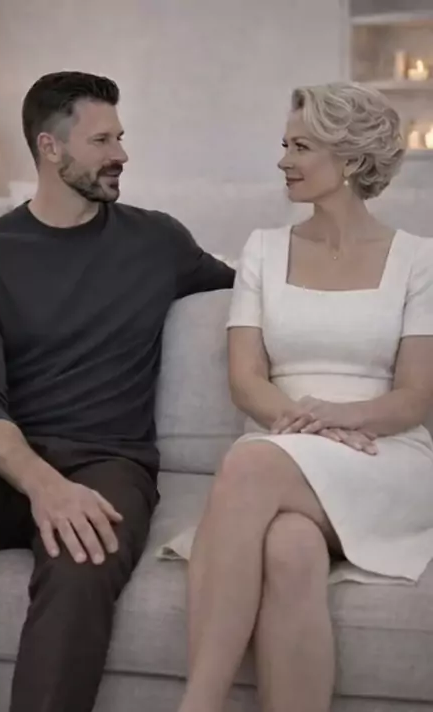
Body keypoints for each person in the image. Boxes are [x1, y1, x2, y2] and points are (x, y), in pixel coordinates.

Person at [0, 71, 234, 712]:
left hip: (109, 462)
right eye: (103, 140)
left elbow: (258, 292)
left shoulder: (158, 242)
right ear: (50, 148)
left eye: (120, 137)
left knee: (83, 556)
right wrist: (43, 485)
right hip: (4, 461)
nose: (121, 155)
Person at [175, 82, 433, 712]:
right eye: (284, 145)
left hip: (382, 453)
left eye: (301, 147)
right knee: (289, 547)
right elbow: (246, 382)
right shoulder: (262, 250)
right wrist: (310, 426)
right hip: (282, 441)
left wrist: (340, 416)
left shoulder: (420, 261)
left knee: (249, 464)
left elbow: (416, 398)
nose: (283, 160)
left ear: (349, 159)